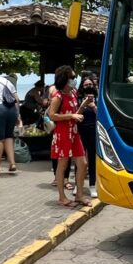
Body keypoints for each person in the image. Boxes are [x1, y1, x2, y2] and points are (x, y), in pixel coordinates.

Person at [49, 65, 93, 207]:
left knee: (83, 163)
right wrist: (71, 115)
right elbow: (52, 115)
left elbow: (76, 113)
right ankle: (62, 197)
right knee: (63, 165)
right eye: (72, 77)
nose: (75, 80)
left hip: (74, 132)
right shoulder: (58, 96)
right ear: (65, 79)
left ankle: (79, 195)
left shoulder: (73, 93)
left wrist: (84, 105)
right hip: (63, 134)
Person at [77, 77, 99, 198]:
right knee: (79, 159)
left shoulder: (98, 98)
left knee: (92, 159)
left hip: (93, 131)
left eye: (90, 84)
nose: (88, 86)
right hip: (81, 130)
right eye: (86, 85)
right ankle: (77, 185)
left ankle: (92, 185)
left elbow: (101, 114)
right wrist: (84, 104)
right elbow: (76, 114)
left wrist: (93, 106)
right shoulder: (78, 98)